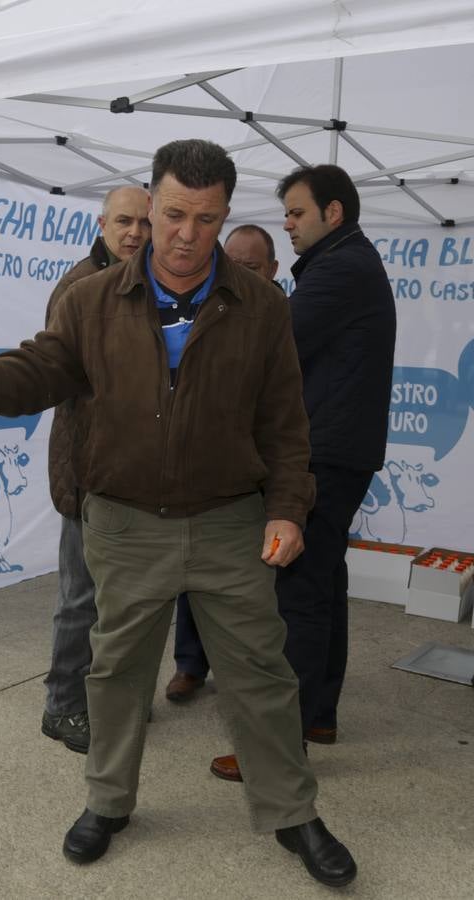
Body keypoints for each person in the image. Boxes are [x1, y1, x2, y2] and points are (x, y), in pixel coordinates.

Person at [0, 140, 357, 889]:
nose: (185, 235)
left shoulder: (262, 306)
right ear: (150, 205)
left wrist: (287, 510)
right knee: (115, 672)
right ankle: (108, 802)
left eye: (205, 220)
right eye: (172, 214)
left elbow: (285, 422)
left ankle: (291, 811)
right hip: (124, 523)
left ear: (224, 217)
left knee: (262, 674)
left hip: (229, 523)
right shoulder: (91, 300)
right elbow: (35, 370)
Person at [210, 166, 396, 782]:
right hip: (339, 449)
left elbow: (272, 344)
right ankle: (318, 715)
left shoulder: (340, 269)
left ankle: (279, 745)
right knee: (323, 582)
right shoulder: (344, 263)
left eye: (296, 212)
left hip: (322, 452)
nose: (287, 224)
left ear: (332, 213)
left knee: (298, 595)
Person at [40, 184, 150, 754]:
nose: (135, 232)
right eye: (124, 221)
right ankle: (62, 705)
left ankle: (110, 697)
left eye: (144, 223)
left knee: (125, 600)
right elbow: (58, 375)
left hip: (135, 472)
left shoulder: (155, 283)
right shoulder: (79, 286)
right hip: (86, 467)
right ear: (102, 224)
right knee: (81, 597)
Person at [169, 222, 284, 706]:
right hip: (202, 478)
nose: (238, 272)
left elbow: (285, 414)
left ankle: (246, 680)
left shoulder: (276, 315)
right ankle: (189, 665)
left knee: (249, 593)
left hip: (253, 477)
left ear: (273, 270)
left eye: (250, 266)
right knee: (191, 576)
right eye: (231, 263)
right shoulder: (201, 309)